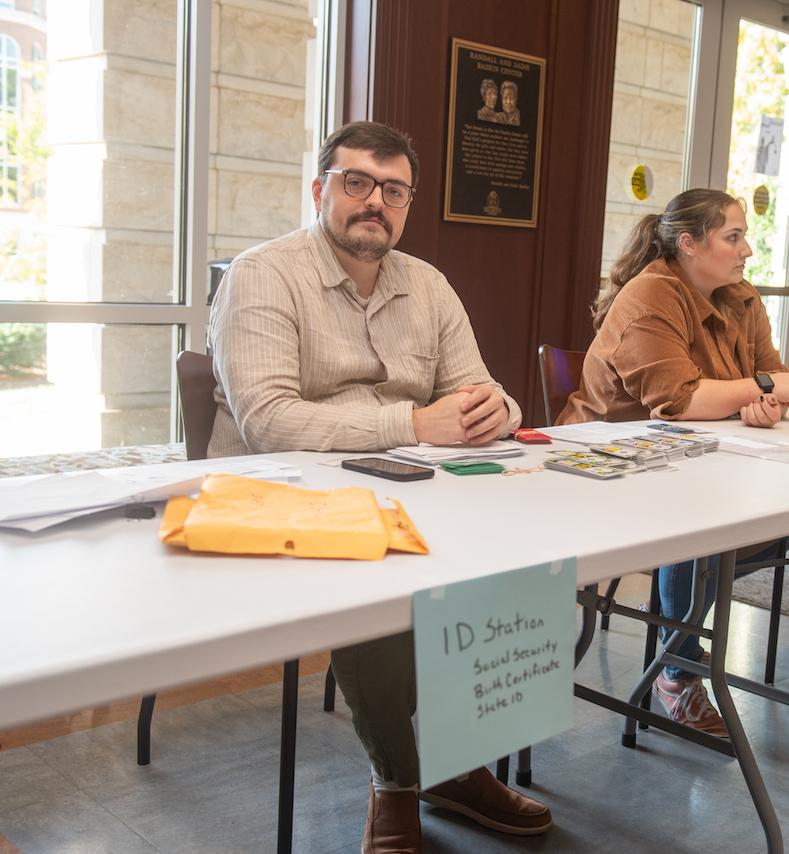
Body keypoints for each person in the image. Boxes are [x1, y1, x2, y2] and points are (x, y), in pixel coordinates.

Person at [208, 121, 551, 854]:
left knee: (533, 562)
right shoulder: (262, 273)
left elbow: (479, 390)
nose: (375, 202)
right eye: (356, 182)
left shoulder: (427, 284)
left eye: (393, 191)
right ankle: (398, 778)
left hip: (414, 483)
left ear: (408, 204)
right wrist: (415, 422)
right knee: (382, 586)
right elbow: (268, 422)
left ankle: (457, 761)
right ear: (320, 189)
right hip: (285, 498)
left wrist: (502, 409)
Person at [556, 188, 789, 737]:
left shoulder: (741, 297)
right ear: (689, 244)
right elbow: (683, 401)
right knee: (700, 524)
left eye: (744, 237)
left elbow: (787, 386)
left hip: (697, 457)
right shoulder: (651, 295)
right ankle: (679, 671)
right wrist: (761, 389)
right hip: (604, 466)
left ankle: (681, 624)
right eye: (734, 237)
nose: (747, 250)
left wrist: (763, 405)